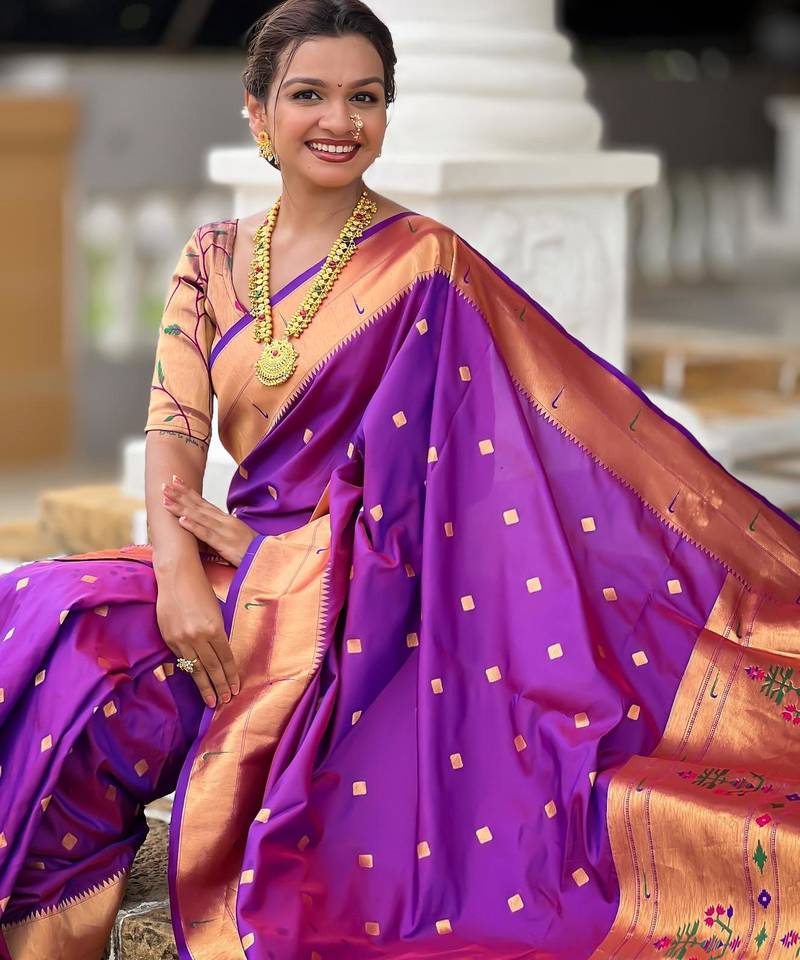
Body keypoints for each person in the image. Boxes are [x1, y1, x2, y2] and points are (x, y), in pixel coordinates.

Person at [2, 0, 799, 957]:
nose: (339, 121)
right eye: (309, 94)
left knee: (105, 684)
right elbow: (174, 427)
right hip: (225, 572)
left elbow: (453, 497)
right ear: (258, 112)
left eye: (365, 97)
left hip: (361, 606)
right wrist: (177, 572)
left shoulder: (426, 267)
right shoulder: (212, 255)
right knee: (48, 610)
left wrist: (282, 558)